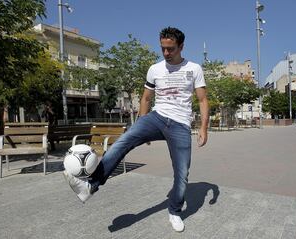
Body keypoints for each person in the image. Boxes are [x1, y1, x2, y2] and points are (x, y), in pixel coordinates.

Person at [63, 27, 209, 232]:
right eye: (163, 49)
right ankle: (91, 186)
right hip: (156, 118)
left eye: (171, 49)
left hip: (180, 124)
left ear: (181, 47)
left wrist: (204, 128)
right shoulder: (154, 69)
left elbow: (202, 100)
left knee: (182, 173)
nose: (166, 53)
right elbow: (146, 98)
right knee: (123, 141)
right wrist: (142, 124)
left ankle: (175, 211)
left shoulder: (194, 68)